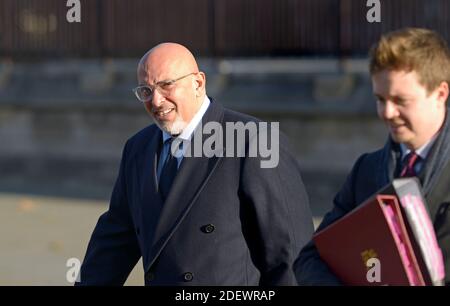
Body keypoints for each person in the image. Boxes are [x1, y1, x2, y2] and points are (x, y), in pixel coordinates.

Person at [77, 42, 314, 285]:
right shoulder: (138, 148)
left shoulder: (255, 139)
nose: (156, 101)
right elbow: (114, 240)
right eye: (146, 91)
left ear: (198, 83)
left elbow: (290, 252)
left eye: (166, 85)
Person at [295, 27, 450, 285]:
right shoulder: (366, 169)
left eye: (401, 100)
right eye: (380, 98)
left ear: (440, 94)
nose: (387, 112)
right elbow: (310, 258)